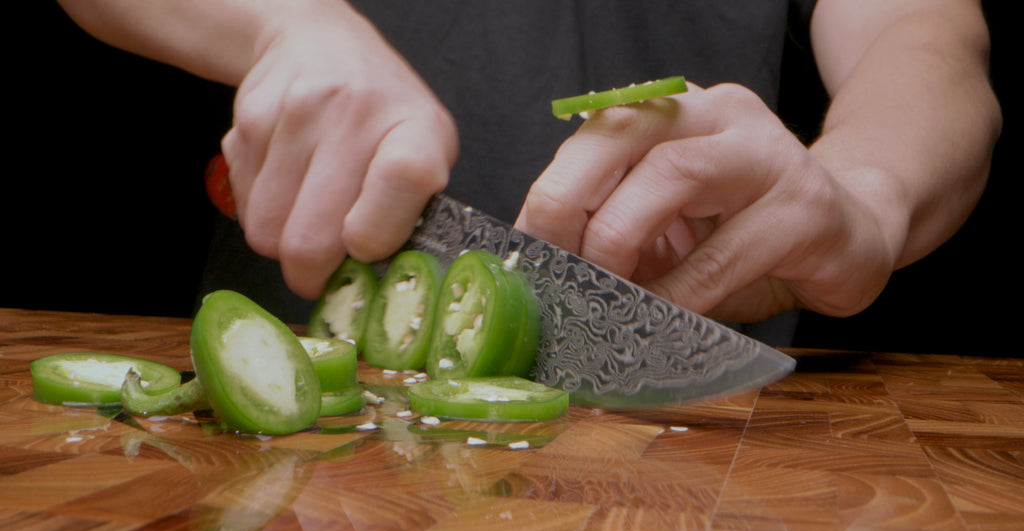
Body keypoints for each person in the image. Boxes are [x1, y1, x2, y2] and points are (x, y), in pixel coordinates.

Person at [52, 0, 1001, 346]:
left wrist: (865, 195)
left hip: (711, 468)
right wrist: (278, 21)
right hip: (304, 424)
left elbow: (926, 33)